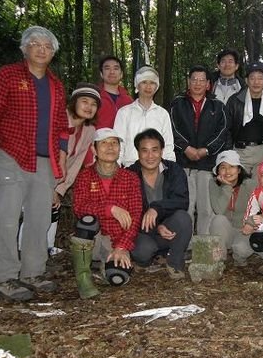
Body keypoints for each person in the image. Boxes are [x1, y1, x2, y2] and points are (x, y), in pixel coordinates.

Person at [0, 25, 69, 301]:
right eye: (36, 44)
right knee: (6, 217)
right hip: (10, 155)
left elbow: (62, 126)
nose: (42, 50)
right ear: (25, 48)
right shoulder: (7, 76)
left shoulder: (55, 84)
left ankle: (33, 271)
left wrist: (62, 154)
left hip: (44, 159)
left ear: (52, 53)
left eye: (47, 46)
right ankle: (4, 277)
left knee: (39, 218)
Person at [72, 128, 143, 297]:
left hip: (117, 240)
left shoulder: (130, 178)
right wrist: (110, 209)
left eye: (114, 143)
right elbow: (79, 207)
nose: (110, 147)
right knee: (87, 221)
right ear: (93, 149)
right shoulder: (85, 176)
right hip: (93, 238)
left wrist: (121, 246)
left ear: (120, 148)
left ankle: (108, 265)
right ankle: (83, 278)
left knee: (117, 278)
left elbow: (135, 214)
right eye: (104, 143)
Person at [171, 65, 230, 234]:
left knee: (206, 208)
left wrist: (206, 150)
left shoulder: (217, 106)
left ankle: (203, 244)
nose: (197, 83)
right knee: (186, 206)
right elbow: (172, 130)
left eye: (202, 80)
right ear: (189, 82)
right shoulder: (177, 104)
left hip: (207, 163)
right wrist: (186, 148)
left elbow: (222, 132)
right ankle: (186, 243)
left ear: (208, 84)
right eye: (194, 79)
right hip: (184, 163)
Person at [128, 129, 192, 280]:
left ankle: (174, 262)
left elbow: (181, 201)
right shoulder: (129, 175)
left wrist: (156, 208)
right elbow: (130, 213)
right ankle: (143, 262)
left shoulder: (174, 170)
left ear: (162, 151)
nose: (150, 156)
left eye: (155, 150)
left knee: (183, 218)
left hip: (168, 230)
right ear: (138, 153)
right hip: (143, 232)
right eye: (145, 151)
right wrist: (157, 227)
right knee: (143, 250)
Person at [48, 83, 102, 253]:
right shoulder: (58, 118)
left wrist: (60, 189)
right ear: (74, 102)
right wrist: (49, 188)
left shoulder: (89, 130)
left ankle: (47, 249)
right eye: (84, 101)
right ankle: (22, 254)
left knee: (52, 211)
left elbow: (76, 163)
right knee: (33, 215)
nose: (89, 107)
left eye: (93, 104)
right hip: (38, 176)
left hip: (58, 179)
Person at [113, 66, 175, 167]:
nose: (148, 86)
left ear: (157, 86)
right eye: (144, 82)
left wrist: (171, 168)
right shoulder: (124, 112)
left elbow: (168, 145)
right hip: (130, 166)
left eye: (152, 83)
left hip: (156, 168)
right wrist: (116, 166)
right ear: (137, 85)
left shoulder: (162, 114)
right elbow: (119, 143)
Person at [226, 61, 263, 174]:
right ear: (247, 80)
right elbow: (227, 129)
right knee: (239, 187)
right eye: (252, 78)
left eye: (260, 78)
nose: (256, 82)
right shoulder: (235, 100)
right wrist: (228, 153)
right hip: (240, 151)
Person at [208, 150, 255, 251]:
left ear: (238, 170)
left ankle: (238, 254)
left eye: (232, 166)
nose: (227, 171)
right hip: (227, 231)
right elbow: (218, 210)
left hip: (245, 231)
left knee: (240, 250)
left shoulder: (250, 185)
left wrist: (251, 223)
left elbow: (261, 209)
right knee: (218, 219)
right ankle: (216, 260)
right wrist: (227, 187)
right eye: (223, 167)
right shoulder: (213, 184)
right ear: (217, 172)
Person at [95, 55, 134, 129]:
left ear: (121, 74)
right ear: (101, 74)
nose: (112, 72)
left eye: (116, 68)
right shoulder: (94, 97)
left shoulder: (129, 101)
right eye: (107, 68)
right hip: (98, 139)